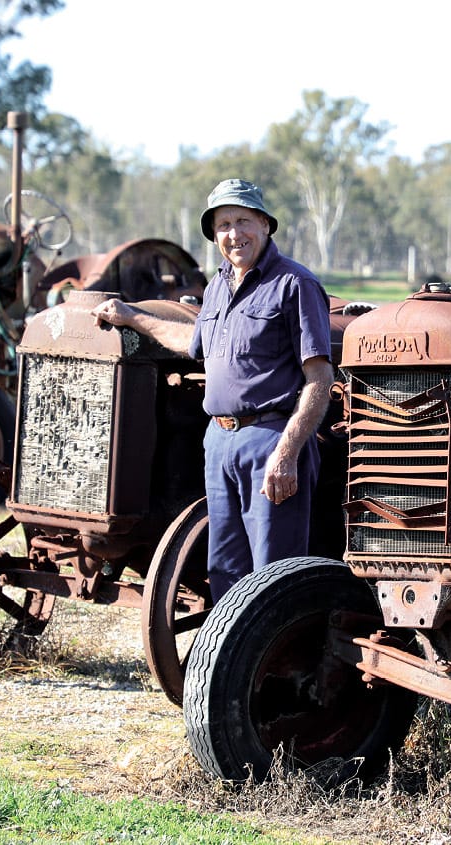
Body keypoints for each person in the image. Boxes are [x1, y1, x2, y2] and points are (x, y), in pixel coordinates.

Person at [91, 179, 333, 601]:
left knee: (272, 576)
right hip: (218, 441)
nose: (234, 234)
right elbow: (190, 341)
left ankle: (277, 667)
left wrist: (288, 450)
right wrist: (132, 316)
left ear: (265, 225)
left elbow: (319, 379)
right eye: (223, 225)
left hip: (269, 440)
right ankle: (223, 665)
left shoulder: (295, 285)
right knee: (225, 568)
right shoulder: (218, 287)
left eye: (243, 221)